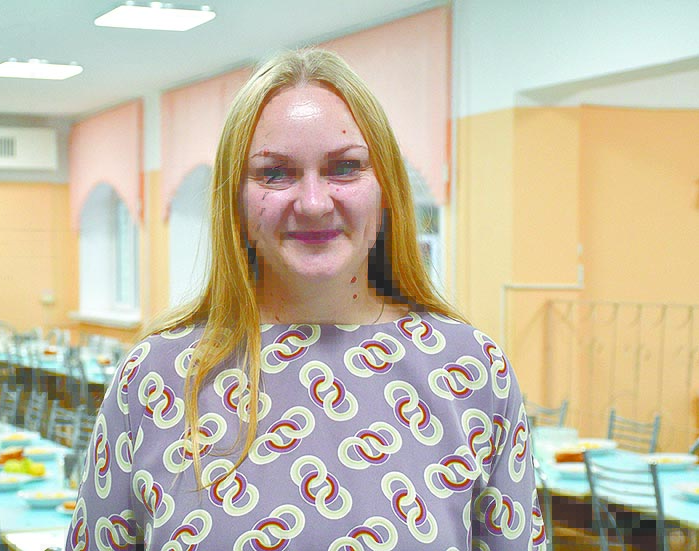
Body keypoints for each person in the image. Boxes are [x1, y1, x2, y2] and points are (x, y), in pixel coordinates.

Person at [66, 48, 545, 551]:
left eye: (345, 167)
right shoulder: (154, 377)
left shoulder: (473, 370)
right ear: (235, 200)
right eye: (275, 173)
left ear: (385, 190)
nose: (314, 203)